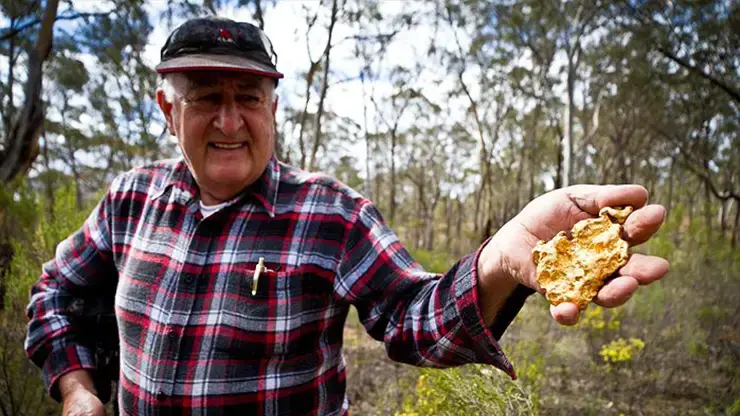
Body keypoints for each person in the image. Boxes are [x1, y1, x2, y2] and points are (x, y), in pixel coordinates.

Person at [25, 16, 669, 416]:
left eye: (247, 98)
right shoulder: (130, 199)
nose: (228, 121)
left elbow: (415, 321)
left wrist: (499, 260)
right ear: (170, 112)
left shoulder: (329, 215)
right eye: (206, 100)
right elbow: (55, 291)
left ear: (273, 108)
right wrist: (79, 391)